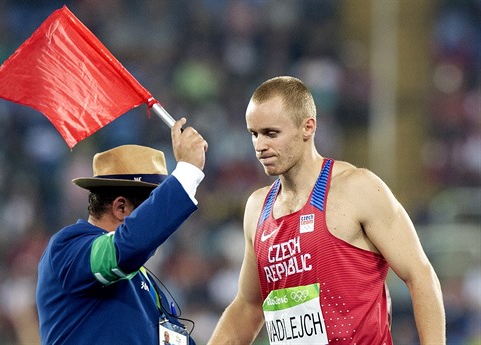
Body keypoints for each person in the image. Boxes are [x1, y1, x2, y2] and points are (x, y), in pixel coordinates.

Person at [208, 76, 445, 344]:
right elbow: (248, 308)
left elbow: (420, 276)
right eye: (254, 134)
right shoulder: (257, 208)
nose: (260, 146)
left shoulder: (357, 188)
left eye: (271, 133)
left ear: (308, 127)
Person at [36, 118, 207, 344]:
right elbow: (124, 248)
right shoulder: (67, 248)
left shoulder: (147, 285)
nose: (162, 222)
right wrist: (187, 172)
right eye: (152, 206)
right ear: (121, 207)